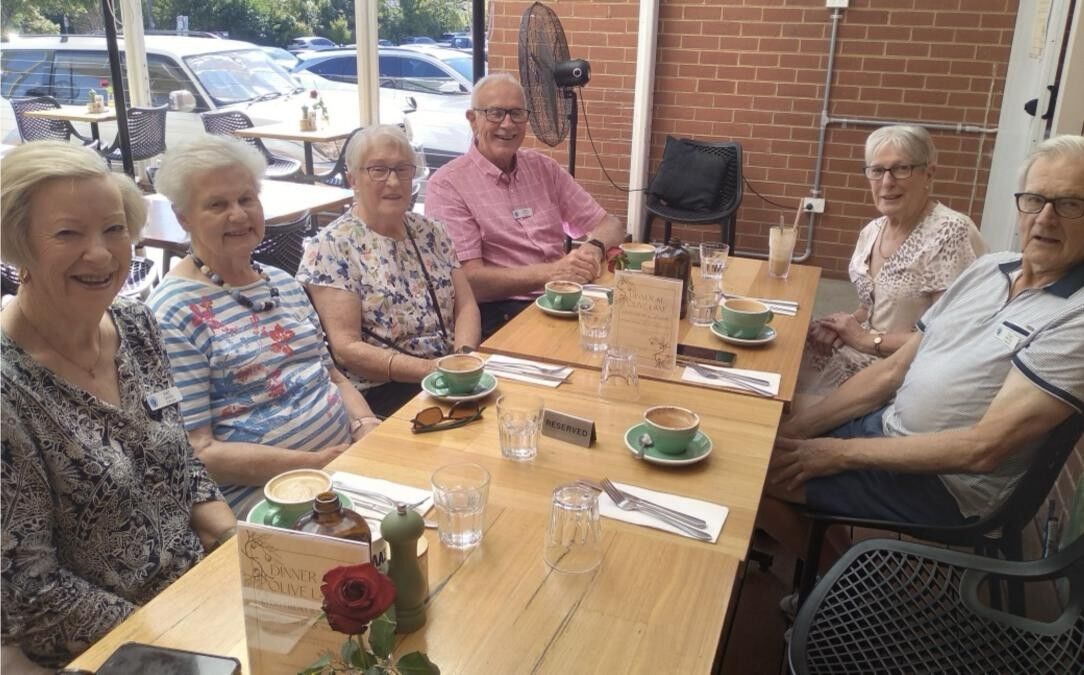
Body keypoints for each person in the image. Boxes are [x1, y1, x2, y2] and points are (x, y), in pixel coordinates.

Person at [766, 134, 1084, 539]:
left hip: (947, 486)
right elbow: (894, 370)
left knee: (747, 477)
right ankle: (828, 559)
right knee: (763, 437)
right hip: (887, 429)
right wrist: (798, 432)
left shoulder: (1075, 316)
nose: (1045, 218)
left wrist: (838, 453)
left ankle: (841, 577)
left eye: (1070, 204)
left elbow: (983, 448)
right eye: (1035, 200)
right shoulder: (990, 269)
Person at [0, 142, 236, 668]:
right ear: (18, 244)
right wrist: (183, 641)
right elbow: (32, 594)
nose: (102, 254)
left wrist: (240, 546)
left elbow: (181, 464)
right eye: (68, 233)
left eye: (113, 229)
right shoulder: (8, 389)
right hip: (115, 648)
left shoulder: (136, 324)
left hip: (200, 600)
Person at [147, 135, 379, 515]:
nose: (238, 215)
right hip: (271, 500)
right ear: (183, 217)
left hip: (344, 467)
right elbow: (198, 451)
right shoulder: (172, 313)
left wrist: (366, 425)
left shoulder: (282, 282)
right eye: (217, 205)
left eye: (246, 199)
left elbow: (332, 376)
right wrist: (315, 465)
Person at [298, 125, 481, 417]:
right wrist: (432, 370)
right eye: (378, 170)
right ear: (353, 179)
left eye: (402, 169)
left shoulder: (431, 231)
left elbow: (466, 305)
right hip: (385, 390)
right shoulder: (332, 247)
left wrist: (464, 359)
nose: (393, 181)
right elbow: (346, 348)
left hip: (448, 375)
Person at [424, 72, 627, 336]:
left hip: (564, 299)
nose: (508, 124)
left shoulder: (543, 168)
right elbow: (469, 282)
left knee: (631, 332)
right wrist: (552, 272)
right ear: (473, 120)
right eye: (495, 113)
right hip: (501, 312)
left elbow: (612, 225)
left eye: (517, 113)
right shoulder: (447, 185)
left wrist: (593, 247)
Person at [799, 125, 987, 397]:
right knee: (784, 351)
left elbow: (950, 338)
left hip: (902, 376)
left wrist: (866, 339)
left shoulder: (949, 233)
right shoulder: (872, 232)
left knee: (785, 403)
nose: (887, 182)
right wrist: (841, 327)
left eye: (901, 169)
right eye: (877, 170)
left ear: (928, 174)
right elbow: (872, 309)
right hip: (860, 355)